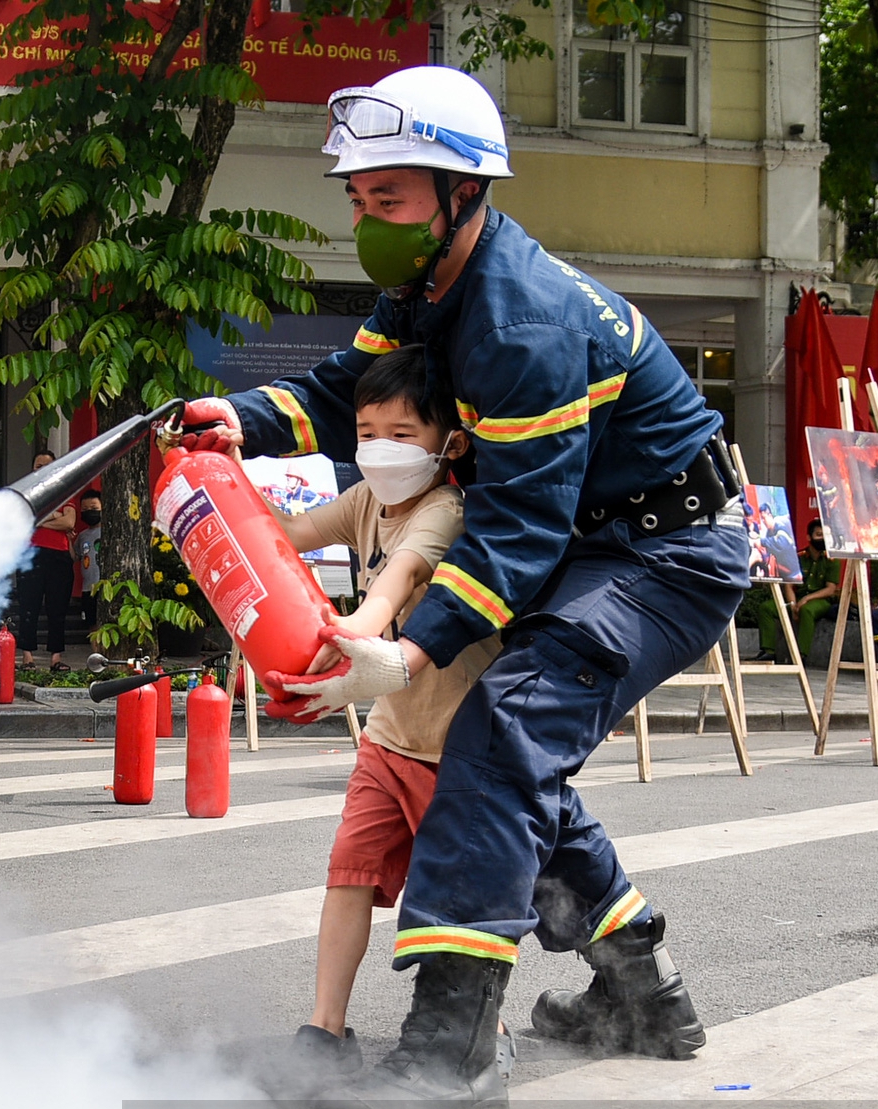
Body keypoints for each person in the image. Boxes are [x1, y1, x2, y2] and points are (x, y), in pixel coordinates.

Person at [179, 65, 747, 1104]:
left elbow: (515, 535)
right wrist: (238, 418)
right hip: (592, 536)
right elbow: (350, 391)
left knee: (495, 735)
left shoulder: (521, 324)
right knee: (510, 759)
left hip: (664, 554)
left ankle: (448, 1047)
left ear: (462, 193)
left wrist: (399, 652)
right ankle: (642, 992)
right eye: (357, 199)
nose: (367, 222)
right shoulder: (423, 289)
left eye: (388, 199)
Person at [264, 344, 507, 1088]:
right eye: (367, 430)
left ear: (449, 442)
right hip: (388, 738)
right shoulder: (364, 500)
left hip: (459, 752)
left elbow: (395, 579)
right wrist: (209, 503)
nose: (380, 449)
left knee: (455, 903)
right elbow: (288, 534)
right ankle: (323, 1028)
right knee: (348, 875)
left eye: (402, 433)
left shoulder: (443, 511)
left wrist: (352, 633)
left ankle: (479, 1033)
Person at [15, 450, 76, 670]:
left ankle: (56, 658)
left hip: (58, 556)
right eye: (37, 465)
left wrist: (40, 518)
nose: (40, 469)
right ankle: (28, 656)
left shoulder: (66, 490)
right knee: (28, 606)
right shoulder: (26, 492)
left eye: (45, 465)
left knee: (57, 608)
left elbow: (69, 523)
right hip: (31, 554)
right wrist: (55, 517)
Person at [751, 519, 840, 662]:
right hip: (795, 598)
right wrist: (792, 605)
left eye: (825, 535)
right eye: (818, 535)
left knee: (807, 610)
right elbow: (789, 585)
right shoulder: (798, 558)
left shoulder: (832, 560)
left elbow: (830, 589)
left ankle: (800, 656)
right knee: (766, 608)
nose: (822, 539)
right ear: (809, 537)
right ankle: (768, 651)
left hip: (819, 600)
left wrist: (806, 600)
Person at [73, 490, 103, 632]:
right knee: (92, 625)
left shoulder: (111, 531)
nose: (90, 512)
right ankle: (96, 652)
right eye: (85, 509)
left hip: (106, 587)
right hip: (88, 588)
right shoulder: (82, 536)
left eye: (94, 509)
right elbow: (75, 557)